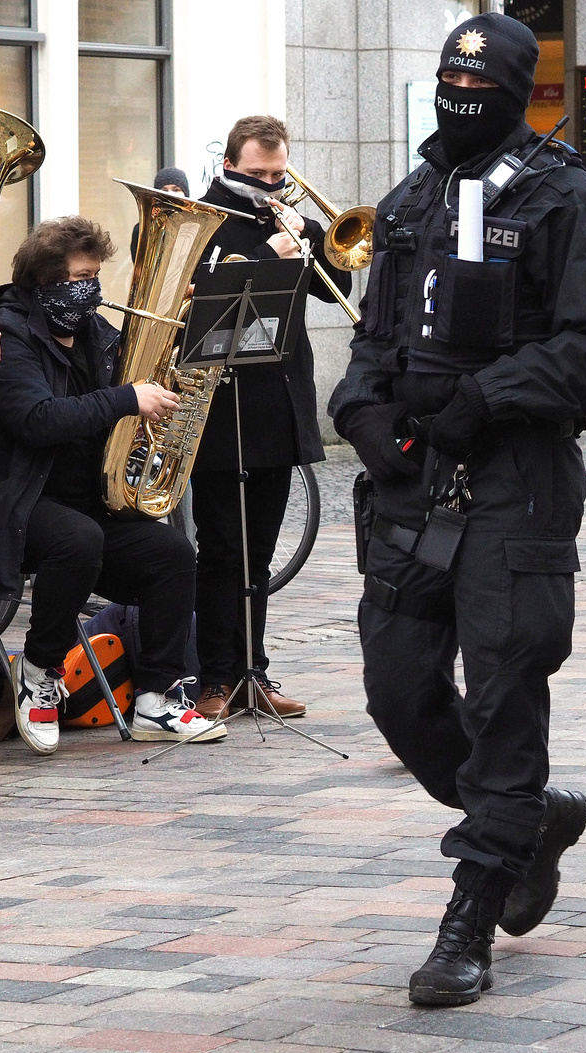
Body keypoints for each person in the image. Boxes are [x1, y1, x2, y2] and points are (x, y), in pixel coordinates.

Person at [327, 12, 586, 1007]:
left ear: (515, 96)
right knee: (399, 689)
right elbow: (374, 337)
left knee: (506, 694)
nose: (458, 102)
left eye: (479, 91)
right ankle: (528, 822)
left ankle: (473, 910)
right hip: (415, 484)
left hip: (516, 483)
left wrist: (489, 398)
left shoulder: (565, 199)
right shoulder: (413, 199)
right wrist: (364, 416)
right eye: (446, 86)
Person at [0, 216, 223, 746]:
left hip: (80, 502)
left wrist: (189, 329)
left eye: (96, 276)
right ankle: (41, 672)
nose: (91, 288)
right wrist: (124, 398)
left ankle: (157, 701)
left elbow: (141, 373)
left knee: (171, 552)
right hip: (5, 507)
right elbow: (36, 419)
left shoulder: (91, 331)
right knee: (77, 537)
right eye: (80, 277)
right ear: (44, 283)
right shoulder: (9, 336)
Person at [188, 115, 352, 722]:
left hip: (279, 403)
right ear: (230, 164)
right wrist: (268, 255)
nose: (270, 183)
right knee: (222, 548)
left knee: (260, 549)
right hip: (223, 404)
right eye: (258, 174)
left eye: (279, 173)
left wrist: (313, 237)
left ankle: (254, 670)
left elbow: (340, 284)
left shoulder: (287, 214)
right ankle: (216, 677)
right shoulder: (203, 218)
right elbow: (204, 295)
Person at [130, 167, 189, 260]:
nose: (170, 194)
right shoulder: (141, 229)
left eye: (176, 189)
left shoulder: (194, 225)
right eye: (164, 190)